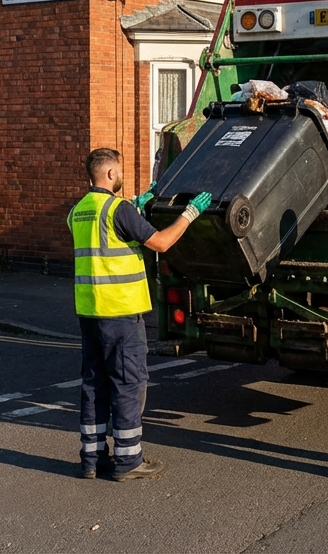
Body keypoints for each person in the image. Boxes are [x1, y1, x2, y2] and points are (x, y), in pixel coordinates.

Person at [68, 148, 209, 481]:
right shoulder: (120, 209)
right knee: (128, 384)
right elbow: (160, 243)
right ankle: (128, 461)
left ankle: (91, 459)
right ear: (111, 174)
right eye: (120, 171)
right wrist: (189, 213)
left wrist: (136, 204)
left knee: (93, 384)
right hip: (121, 314)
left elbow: (107, 233)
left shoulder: (78, 211)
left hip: (89, 313)